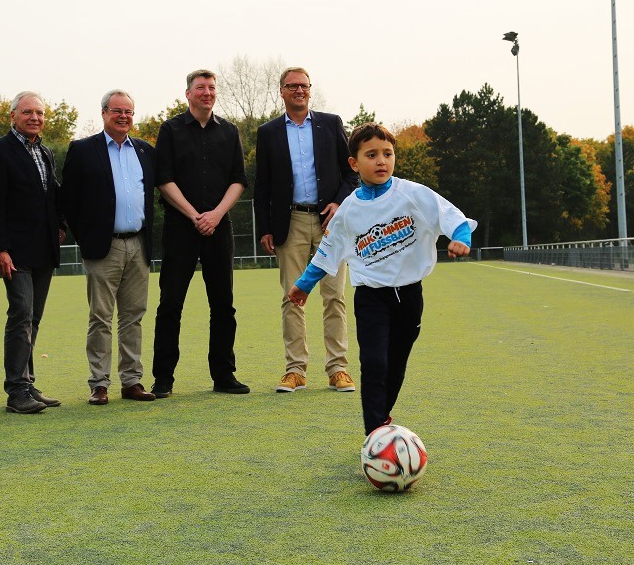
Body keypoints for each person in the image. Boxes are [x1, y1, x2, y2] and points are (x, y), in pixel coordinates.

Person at [287, 123, 476, 435]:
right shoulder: (348, 210)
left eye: (387, 154)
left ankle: (382, 416)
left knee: (395, 365)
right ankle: (374, 433)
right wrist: (304, 285)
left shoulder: (412, 194)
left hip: (410, 295)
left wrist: (461, 238)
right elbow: (327, 251)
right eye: (371, 155)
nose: (381, 161)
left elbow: (451, 216)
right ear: (354, 163)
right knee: (374, 363)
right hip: (371, 297)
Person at [254, 67, 358, 394]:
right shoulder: (268, 132)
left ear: (310, 89)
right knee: (292, 296)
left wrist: (339, 203)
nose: (299, 90)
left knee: (334, 296)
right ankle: (295, 370)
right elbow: (262, 185)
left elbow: (351, 172)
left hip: (331, 223)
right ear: (281, 91)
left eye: (304, 85)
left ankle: (338, 368)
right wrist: (266, 228)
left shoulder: (331, 124)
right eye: (292, 86)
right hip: (290, 223)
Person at [151, 69, 249, 397]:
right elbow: (164, 179)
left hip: (219, 229)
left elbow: (238, 179)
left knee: (223, 305)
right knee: (170, 304)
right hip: (181, 228)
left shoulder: (229, 131)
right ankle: (163, 378)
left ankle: (224, 375)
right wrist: (194, 215)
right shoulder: (171, 130)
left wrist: (216, 214)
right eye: (200, 88)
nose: (207, 92)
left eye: (211, 87)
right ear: (188, 94)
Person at [62, 89, 157, 405]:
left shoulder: (144, 151)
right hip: (104, 247)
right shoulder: (82, 150)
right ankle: (99, 384)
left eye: (128, 111)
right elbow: (69, 201)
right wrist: (86, 237)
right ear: (104, 113)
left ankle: (131, 381)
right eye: (117, 111)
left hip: (139, 244)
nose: (123, 116)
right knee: (100, 317)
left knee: (133, 316)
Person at [0, 91, 65, 414]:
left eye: (39, 113)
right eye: (27, 112)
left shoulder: (45, 152)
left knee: (34, 318)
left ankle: (27, 384)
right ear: (13, 116)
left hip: (44, 249)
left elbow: (51, 194)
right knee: (21, 314)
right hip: (15, 252)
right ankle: (16, 392)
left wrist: (61, 224)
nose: (34, 118)